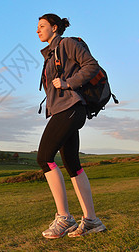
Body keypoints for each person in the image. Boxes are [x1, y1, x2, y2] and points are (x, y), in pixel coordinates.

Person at [36, 13, 106, 238]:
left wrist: (68, 83)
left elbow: (91, 65)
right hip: (64, 110)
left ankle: (64, 217)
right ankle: (92, 221)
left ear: (54, 28)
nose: (37, 31)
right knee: (72, 164)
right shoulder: (50, 54)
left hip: (71, 109)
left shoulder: (66, 44)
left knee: (44, 157)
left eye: (42, 26)